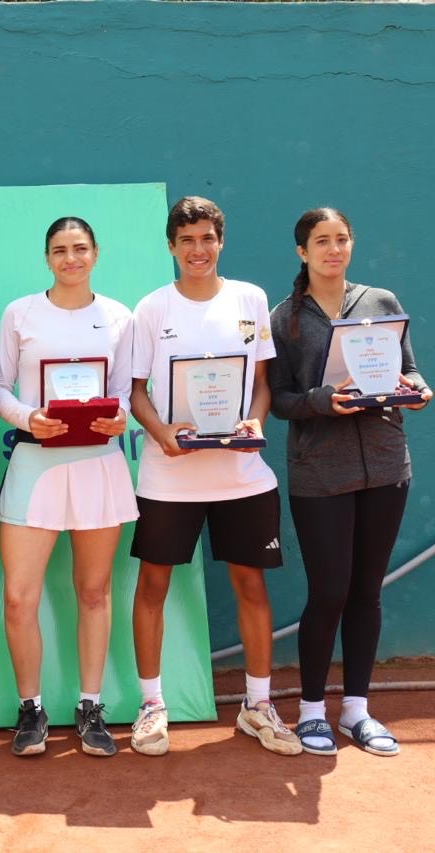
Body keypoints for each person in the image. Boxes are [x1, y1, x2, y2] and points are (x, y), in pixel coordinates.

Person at [128, 196, 300, 757]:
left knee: (251, 585)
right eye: (187, 241)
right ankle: (152, 706)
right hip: (169, 477)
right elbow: (135, 391)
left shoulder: (250, 299)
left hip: (242, 477)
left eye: (207, 238)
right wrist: (162, 432)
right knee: (153, 587)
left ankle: (258, 705)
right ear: (171, 247)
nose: (197, 250)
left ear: (220, 241)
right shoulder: (151, 308)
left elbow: (263, 382)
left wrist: (255, 421)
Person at [269, 208, 429, 757]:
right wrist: (321, 401)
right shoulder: (284, 318)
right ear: (302, 252)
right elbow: (280, 401)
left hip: (386, 466)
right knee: (330, 591)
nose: (333, 249)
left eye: (341, 239)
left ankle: (357, 710)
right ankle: (312, 710)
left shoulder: (381, 302)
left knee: (366, 591)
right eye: (322, 241)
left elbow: (408, 368)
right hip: (320, 473)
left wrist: (415, 388)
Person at [0, 217, 137, 758]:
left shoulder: (119, 316)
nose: (70, 258)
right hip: (36, 463)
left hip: (98, 463)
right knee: (18, 597)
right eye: (59, 250)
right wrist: (29, 418)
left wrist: (120, 416)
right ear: (47, 258)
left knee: (95, 592)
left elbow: (125, 391)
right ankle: (30, 709)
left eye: (79, 248)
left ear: (96, 253)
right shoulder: (20, 313)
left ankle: (90, 706)